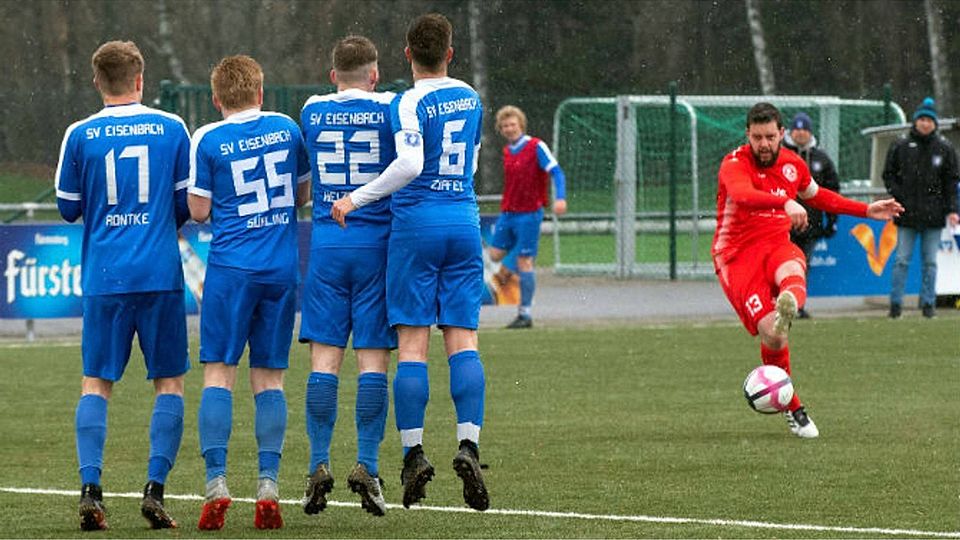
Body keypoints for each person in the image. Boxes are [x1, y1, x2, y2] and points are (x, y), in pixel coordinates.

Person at [331, 13, 489, 511]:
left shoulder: (408, 102)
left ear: (406, 55)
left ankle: (414, 453)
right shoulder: (471, 96)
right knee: (462, 339)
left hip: (417, 225)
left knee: (413, 344)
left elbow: (411, 163)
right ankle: (468, 444)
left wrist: (357, 198)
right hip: (464, 219)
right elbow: (475, 159)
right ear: (450, 52)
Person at [55, 40, 191, 531]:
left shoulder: (80, 133)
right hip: (158, 272)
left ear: (97, 81)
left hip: (105, 276)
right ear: (141, 79)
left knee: (97, 383)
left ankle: (91, 489)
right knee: (169, 383)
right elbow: (184, 206)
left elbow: (67, 206)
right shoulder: (172, 128)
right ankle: (155, 491)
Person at [713, 102, 902, 439]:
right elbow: (742, 195)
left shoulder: (792, 164)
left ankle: (789, 303)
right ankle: (793, 406)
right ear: (748, 135)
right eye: (757, 137)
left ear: (781, 134)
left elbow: (818, 196)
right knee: (772, 335)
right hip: (737, 256)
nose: (764, 144)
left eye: (770, 136)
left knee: (792, 267)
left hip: (775, 242)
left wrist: (864, 209)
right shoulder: (734, 163)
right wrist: (783, 201)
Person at [188, 55, 311, 530]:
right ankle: (268, 484)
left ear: (217, 98)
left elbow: (198, 211)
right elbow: (300, 196)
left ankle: (217, 483)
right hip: (280, 270)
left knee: (220, 374)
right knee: (270, 379)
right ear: (261, 91)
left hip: (231, 271)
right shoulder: (286, 128)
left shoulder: (209, 137)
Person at [298, 35, 396, 517]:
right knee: (373, 363)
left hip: (327, 249)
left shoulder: (312, 110)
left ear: (333, 75)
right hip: (376, 248)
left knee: (324, 363)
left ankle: (318, 464)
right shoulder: (391, 108)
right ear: (375, 75)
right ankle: (368, 465)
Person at [487, 105, 567, 328]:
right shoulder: (506, 151)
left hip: (529, 214)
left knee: (525, 262)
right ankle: (517, 258)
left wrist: (560, 197)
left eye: (512, 124)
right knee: (494, 255)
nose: (509, 128)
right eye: (504, 126)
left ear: (520, 125)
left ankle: (525, 314)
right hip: (508, 213)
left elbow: (557, 172)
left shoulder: (536, 146)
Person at [882, 97, 960, 319]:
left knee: (930, 262)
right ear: (915, 121)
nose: (925, 124)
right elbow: (888, 175)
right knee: (901, 260)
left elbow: (951, 182)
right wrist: (899, 196)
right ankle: (895, 306)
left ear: (934, 123)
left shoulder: (944, 148)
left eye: (929, 120)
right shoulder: (901, 145)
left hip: (934, 217)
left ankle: (928, 305)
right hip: (906, 215)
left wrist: (952, 210)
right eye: (922, 119)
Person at [783, 112, 841, 319]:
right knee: (781, 264)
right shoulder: (780, 156)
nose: (800, 133)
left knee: (802, 264)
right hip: (782, 224)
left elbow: (832, 190)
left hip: (810, 223)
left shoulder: (820, 159)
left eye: (804, 129)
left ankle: (796, 305)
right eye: (796, 129)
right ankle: (776, 303)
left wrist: (832, 220)